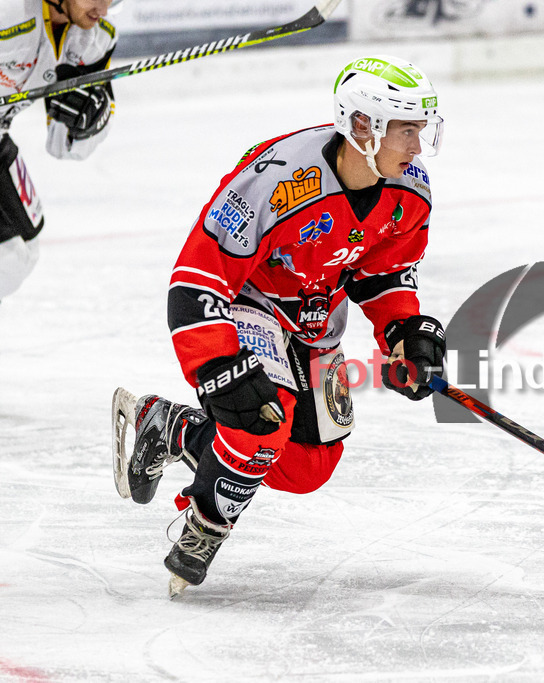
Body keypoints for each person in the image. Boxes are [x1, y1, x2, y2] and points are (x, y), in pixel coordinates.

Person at [110, 55, 448, 597]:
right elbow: (198, 277)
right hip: (249, 300)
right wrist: (218, 364)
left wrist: (405, 331)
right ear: (362, 125)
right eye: (405, 130)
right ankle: (204, 529)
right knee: (260, 420)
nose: (417, 146)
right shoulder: (278, 179)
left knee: (307, 467)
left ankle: (172, 427)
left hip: (316, 316)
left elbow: (382, 272)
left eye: (421, 129)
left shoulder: (409, 192)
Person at [0, 0, 119, 299]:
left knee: (17, 256)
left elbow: (64, 147)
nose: (103, 9)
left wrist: (86, 123)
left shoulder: (94, 39)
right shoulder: (7, 12)